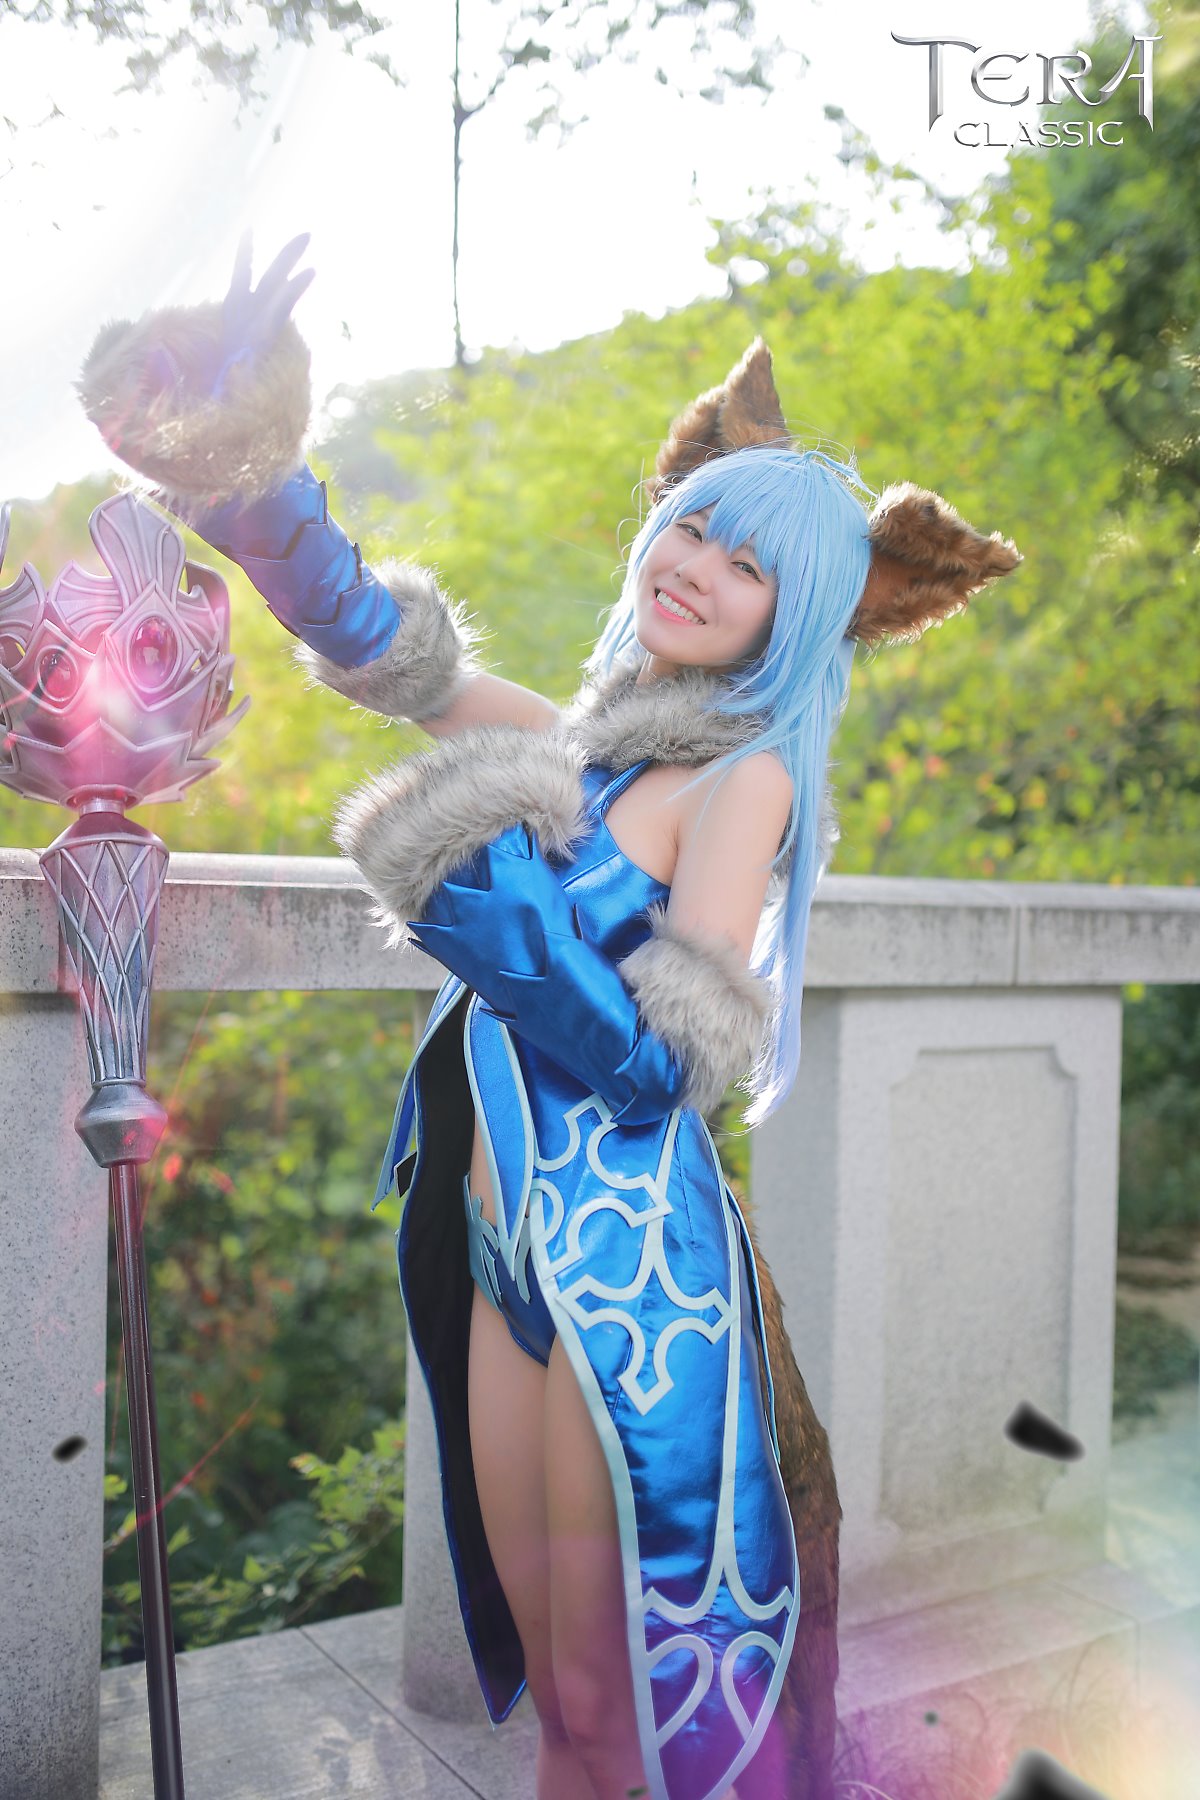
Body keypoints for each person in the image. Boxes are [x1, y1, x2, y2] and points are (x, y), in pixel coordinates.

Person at [79, 239, 1019, 1800]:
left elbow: (664, 1063)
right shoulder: (587, 746)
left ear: (793, 618)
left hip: (627, 1270)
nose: (695, 565)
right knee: (557, 1715)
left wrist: (474, 891)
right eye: (690, 527)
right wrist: (249, 466)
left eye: (745, 563)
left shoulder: (746, 783)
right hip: (493, 1241)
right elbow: (379, 648)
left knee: (615, 1698)